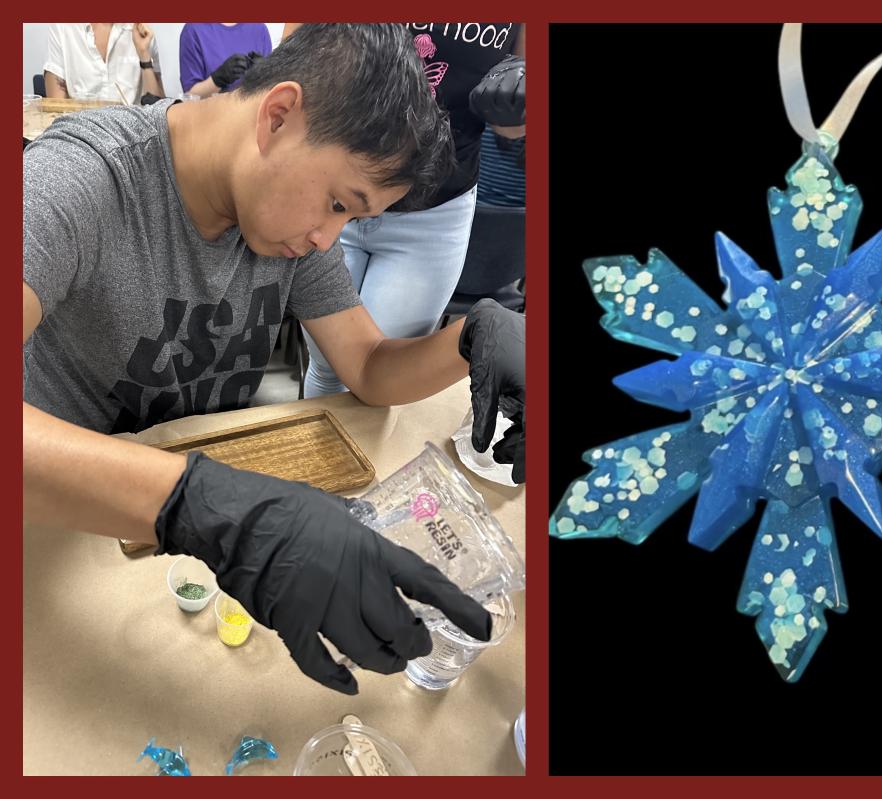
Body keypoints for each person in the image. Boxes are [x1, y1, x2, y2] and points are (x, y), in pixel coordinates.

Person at [23, 24, 526, 695]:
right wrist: (207, 506)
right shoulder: (82, 179)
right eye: (340, 203)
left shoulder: (285, 218)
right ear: (278, 115)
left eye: (355, 218)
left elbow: (370, 367)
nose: (329, 237)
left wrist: (472, 334)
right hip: (59, 528)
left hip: (173, 548)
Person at [285, 22, 525, 400]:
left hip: (434, 210)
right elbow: (293, 59)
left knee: (380, 381)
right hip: (339, 190)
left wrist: (517, 105)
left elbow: (510, 119)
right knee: (327, 364)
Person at [41, 23, 164, 104]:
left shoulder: (141, 29)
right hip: (80, 136)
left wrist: (144, 55)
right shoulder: (62, 27)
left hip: (130, 137)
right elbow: (55, 109)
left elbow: (158, 112)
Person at [178, 22, 272, 98]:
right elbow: (190, 97)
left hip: (252, 117)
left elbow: (272, 89)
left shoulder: (259, 29)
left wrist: (262, 76)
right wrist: (217, 79)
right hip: (212, 118)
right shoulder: (193, 30)